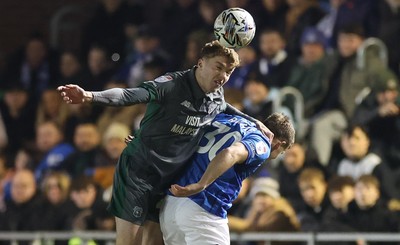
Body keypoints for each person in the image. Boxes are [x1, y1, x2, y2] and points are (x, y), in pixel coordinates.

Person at [57, 40, 273, 245]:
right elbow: (128, 95)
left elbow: (225, 107)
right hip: (139, 170)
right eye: (218, 67)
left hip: (168, 177)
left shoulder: (216, 96)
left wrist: (253, 120)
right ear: (200, 63)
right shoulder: (172, 85)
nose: (223, 76)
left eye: (229, 71)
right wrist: (89, 96)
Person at [160, 112, 295, 245]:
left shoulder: (228, 118)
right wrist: (202, 183)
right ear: (278, 144)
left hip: (171, 203)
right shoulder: (263, 142)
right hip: (204, 208)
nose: (277, 155)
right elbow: (231, 153)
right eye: (281, 152)